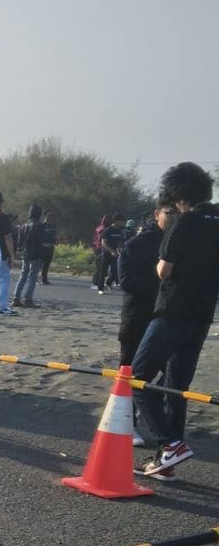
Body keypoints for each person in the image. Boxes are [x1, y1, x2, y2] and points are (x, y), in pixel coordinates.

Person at [132, 163, 219, 480]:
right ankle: (166, 461)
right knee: (176, 386)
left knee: (138, 378)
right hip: (203, 314)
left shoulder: (186, 222)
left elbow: (164, 270)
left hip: (172, 311)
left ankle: (170, 443)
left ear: (178, 194)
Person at [119, 198, 178, 448]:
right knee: (128, 371)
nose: (174, 217)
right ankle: (126, 423)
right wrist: (161, 287)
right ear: (157, 214)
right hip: (138, 317)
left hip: (169, 320)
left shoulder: (183, 243)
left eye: (179, 212)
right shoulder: (137, 244)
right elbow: (126, 281)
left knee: (171, 371)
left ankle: (150, 408)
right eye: (169, 212)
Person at [12, 203, 45, 307]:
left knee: (23, 275)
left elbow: (19, 241)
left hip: (25, 253)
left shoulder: (24, 226)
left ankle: (16, 298)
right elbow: (41, 241)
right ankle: (28, 299)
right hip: (36, 254)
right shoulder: (39, 226)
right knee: (33, 277)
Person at [94, 214, 122, 293]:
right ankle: (100, 288)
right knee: (103, 272)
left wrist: (119, 251)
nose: (121, 223)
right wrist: (111, 251)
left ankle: (108, 283)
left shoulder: (119, 231)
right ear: (116, 221)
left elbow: (119, 243)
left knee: (115, 270)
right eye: (120, 221)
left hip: (115, 254)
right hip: (106, 253)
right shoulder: (108, 230)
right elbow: (104, 242)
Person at [39, 207, 58, 284]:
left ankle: (44, 279)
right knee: (39, 264)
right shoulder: (41, 226)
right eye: (48, 215)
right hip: (42, 247)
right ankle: (35, 279)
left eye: (51, 215)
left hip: (50, 247)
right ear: (45, 216)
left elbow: (55, 236)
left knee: (46, 264)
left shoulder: (53, 226)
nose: (50, 217)